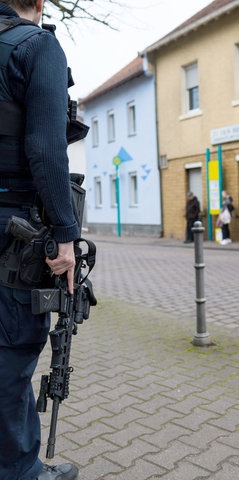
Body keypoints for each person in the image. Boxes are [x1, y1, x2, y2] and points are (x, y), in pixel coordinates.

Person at [0, 1, 80, 479]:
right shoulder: (36, 45)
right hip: (14, 231)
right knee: (11, 358)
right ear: (42, 3)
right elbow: (46, 149)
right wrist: (65, 238)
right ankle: (21, 472)